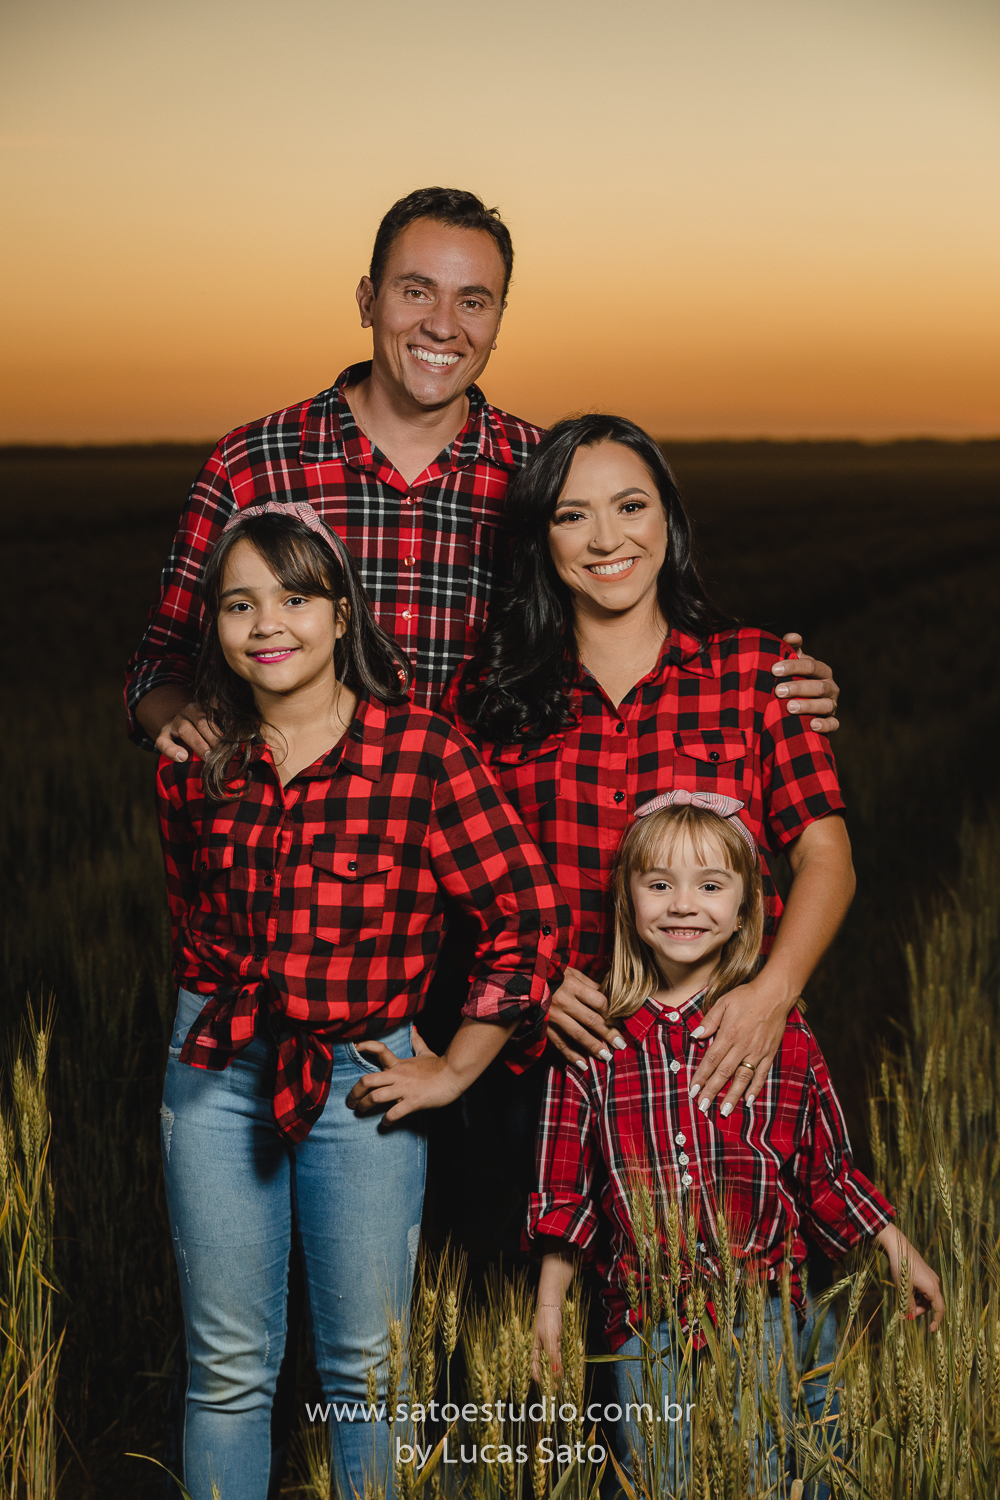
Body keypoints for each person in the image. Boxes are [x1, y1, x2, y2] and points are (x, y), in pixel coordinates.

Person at [125, 186, 839, 767]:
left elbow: (638, 632)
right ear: (368, 300)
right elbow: (159, 667)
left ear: (499, 320)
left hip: (498, 867)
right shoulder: (251, 464)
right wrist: (180, 721)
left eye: (473, 301)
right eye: (416, 291)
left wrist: (772, 684)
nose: (444, 326)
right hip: (317, 889)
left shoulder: (545, 473)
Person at [156, 500, 569, 1500]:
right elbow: (190, 920)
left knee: (367, 1375)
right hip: (216, 1065)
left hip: (364, 1077)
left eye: (294, 597)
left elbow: (526, 920)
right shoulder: (198, 762)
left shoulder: (421, 754)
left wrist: (458, 1063)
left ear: (343, 614)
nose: (267, 625)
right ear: (211, 625)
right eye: (238, 604)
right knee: (228, 1369)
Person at [527, 795, 943, 1486]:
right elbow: (567, 1193)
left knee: (760, 1474)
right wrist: (548, 1306)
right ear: (628, 901)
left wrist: (900, 1254)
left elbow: (827, 1174)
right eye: (658, 884)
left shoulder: (780, 1036)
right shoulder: (594, 1043)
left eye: (710, 885)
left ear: (747, 909)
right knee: (661, 1476)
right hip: (643, 1320)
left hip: (764, 1309)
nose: (683, 904)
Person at [450, 413, 849, 1116]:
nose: (608, 539)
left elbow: (827, 859)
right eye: (573, 515)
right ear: (542, 539)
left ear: (669, 517)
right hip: (551, 1065)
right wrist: (529, 984)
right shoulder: (487, 698)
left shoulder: (758, 671)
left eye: (631, 506)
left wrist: (771, 994)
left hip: (721, 1055)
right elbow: (447, 888)